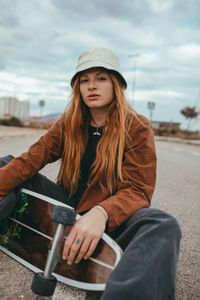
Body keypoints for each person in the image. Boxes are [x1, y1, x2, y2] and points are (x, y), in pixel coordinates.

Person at [0, 48, 181, 300]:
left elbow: (138, 190)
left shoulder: (136, 126)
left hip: (111, 222)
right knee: (5, 166)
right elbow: (29, 161)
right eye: (84, 80)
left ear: (115, 84)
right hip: (68, 210)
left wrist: (101, 213)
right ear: (77, 88)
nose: (91, 86)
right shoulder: (69, 123)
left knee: (162, 224)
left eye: (101, 78)